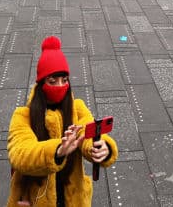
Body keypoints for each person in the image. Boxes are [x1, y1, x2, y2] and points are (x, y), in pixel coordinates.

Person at [7, 36, 117, 207]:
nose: (60, 86)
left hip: (72, 198)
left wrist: (101, 147)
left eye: (64, 80)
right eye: (53, 81)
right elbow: (20, 154)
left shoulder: (76, 107)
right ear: (42, 83)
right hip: (36, 200)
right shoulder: (23, 116)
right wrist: (58, 150)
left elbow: (87, 131)